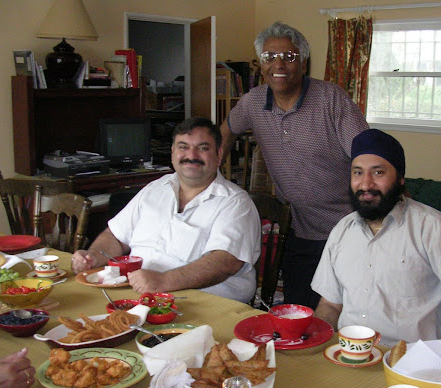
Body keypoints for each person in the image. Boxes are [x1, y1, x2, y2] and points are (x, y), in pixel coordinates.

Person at [221, 22, 369, 310]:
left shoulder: (331, 98)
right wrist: (208, 181)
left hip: (350, 226)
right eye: (269, 57)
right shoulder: (252, 102)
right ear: (260, 64)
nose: (279, 64)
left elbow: (365, 152)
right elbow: (224, 134)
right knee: (299, 312)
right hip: (300, 228)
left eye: (289, 57)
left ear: (303, 62)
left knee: (352, 314)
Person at [311, 129, 441, 346]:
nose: (365, 185)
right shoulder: (342, 231)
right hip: (348, 357)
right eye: (358, 173)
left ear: (400, 179)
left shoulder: (431, 228)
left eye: (378, 173)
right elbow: (331, 305)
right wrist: (317, 346)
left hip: (410, 365)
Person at [72, 117, 261, 303]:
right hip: (140, 294)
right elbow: (115, 235)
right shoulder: (156, 188)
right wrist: (94, 257)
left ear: (219, 155)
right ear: (172, 153)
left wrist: (163, 281)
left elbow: (225, 262)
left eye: (203, 148)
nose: (192, 155)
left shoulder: (235, 203)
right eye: (183, 147)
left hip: (204, 304)